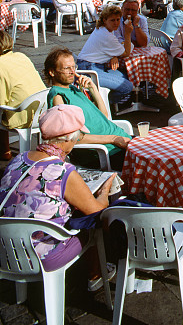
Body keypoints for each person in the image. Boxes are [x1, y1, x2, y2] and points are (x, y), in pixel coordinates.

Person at [0, 104, 116, 289]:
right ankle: (95, 276)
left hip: (6, 249)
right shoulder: (63, 171)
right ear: (68, 139)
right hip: (39, 257)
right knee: (90, 223)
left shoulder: (19, 158)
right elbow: (98, 211)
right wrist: (104, 191)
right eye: (78, 136)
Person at [44, 48, 131, 163]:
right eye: (67, 68)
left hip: (120, 139)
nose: (72, 72)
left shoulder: (73, 89)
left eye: (74, 67)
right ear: (52, 72)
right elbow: (70, 138)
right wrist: (113, 139)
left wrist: (93, 89)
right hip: (107, 151)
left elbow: (104, 117)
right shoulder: (58, 96)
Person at [76, 5, 134, 107]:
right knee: (127, 87)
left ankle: (104, 100)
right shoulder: (106, 35)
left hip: (93, 65)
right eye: (112, 20)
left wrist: (114, 56)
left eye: (117, 19)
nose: (116, 23)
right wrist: (128, 33)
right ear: (104, 20)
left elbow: (116, 48)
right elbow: (126, 53)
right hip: (89, 69)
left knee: (125, 76)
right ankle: (99, 104)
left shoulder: (102, 29)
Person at [0, 32, 45, 161]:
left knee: (2, 111)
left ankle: (5, 151)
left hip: (22, 116)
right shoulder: (21, 56)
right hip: (41, 110)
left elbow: (2, 101)